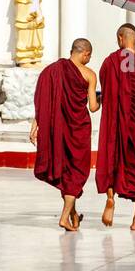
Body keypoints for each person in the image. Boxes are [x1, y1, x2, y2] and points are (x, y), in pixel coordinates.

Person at [30, 38, 99, 232]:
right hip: (79, 130)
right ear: (85, 53)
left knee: (67, 172)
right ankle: (63, 218)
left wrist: (37, 124)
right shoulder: (89, 75)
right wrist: (100, 100)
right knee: (76, 173)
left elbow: (43, 101)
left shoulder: (51, 70)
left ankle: (74, 215)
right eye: (89, 56)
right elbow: (93, 107)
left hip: (58, 129)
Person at [96, 23, 135, 231]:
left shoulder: (118, 59)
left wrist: (126, 57)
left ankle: (111, 198)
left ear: (121, 38)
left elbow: (116, 86)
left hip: (119, 119)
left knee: (115, 154)